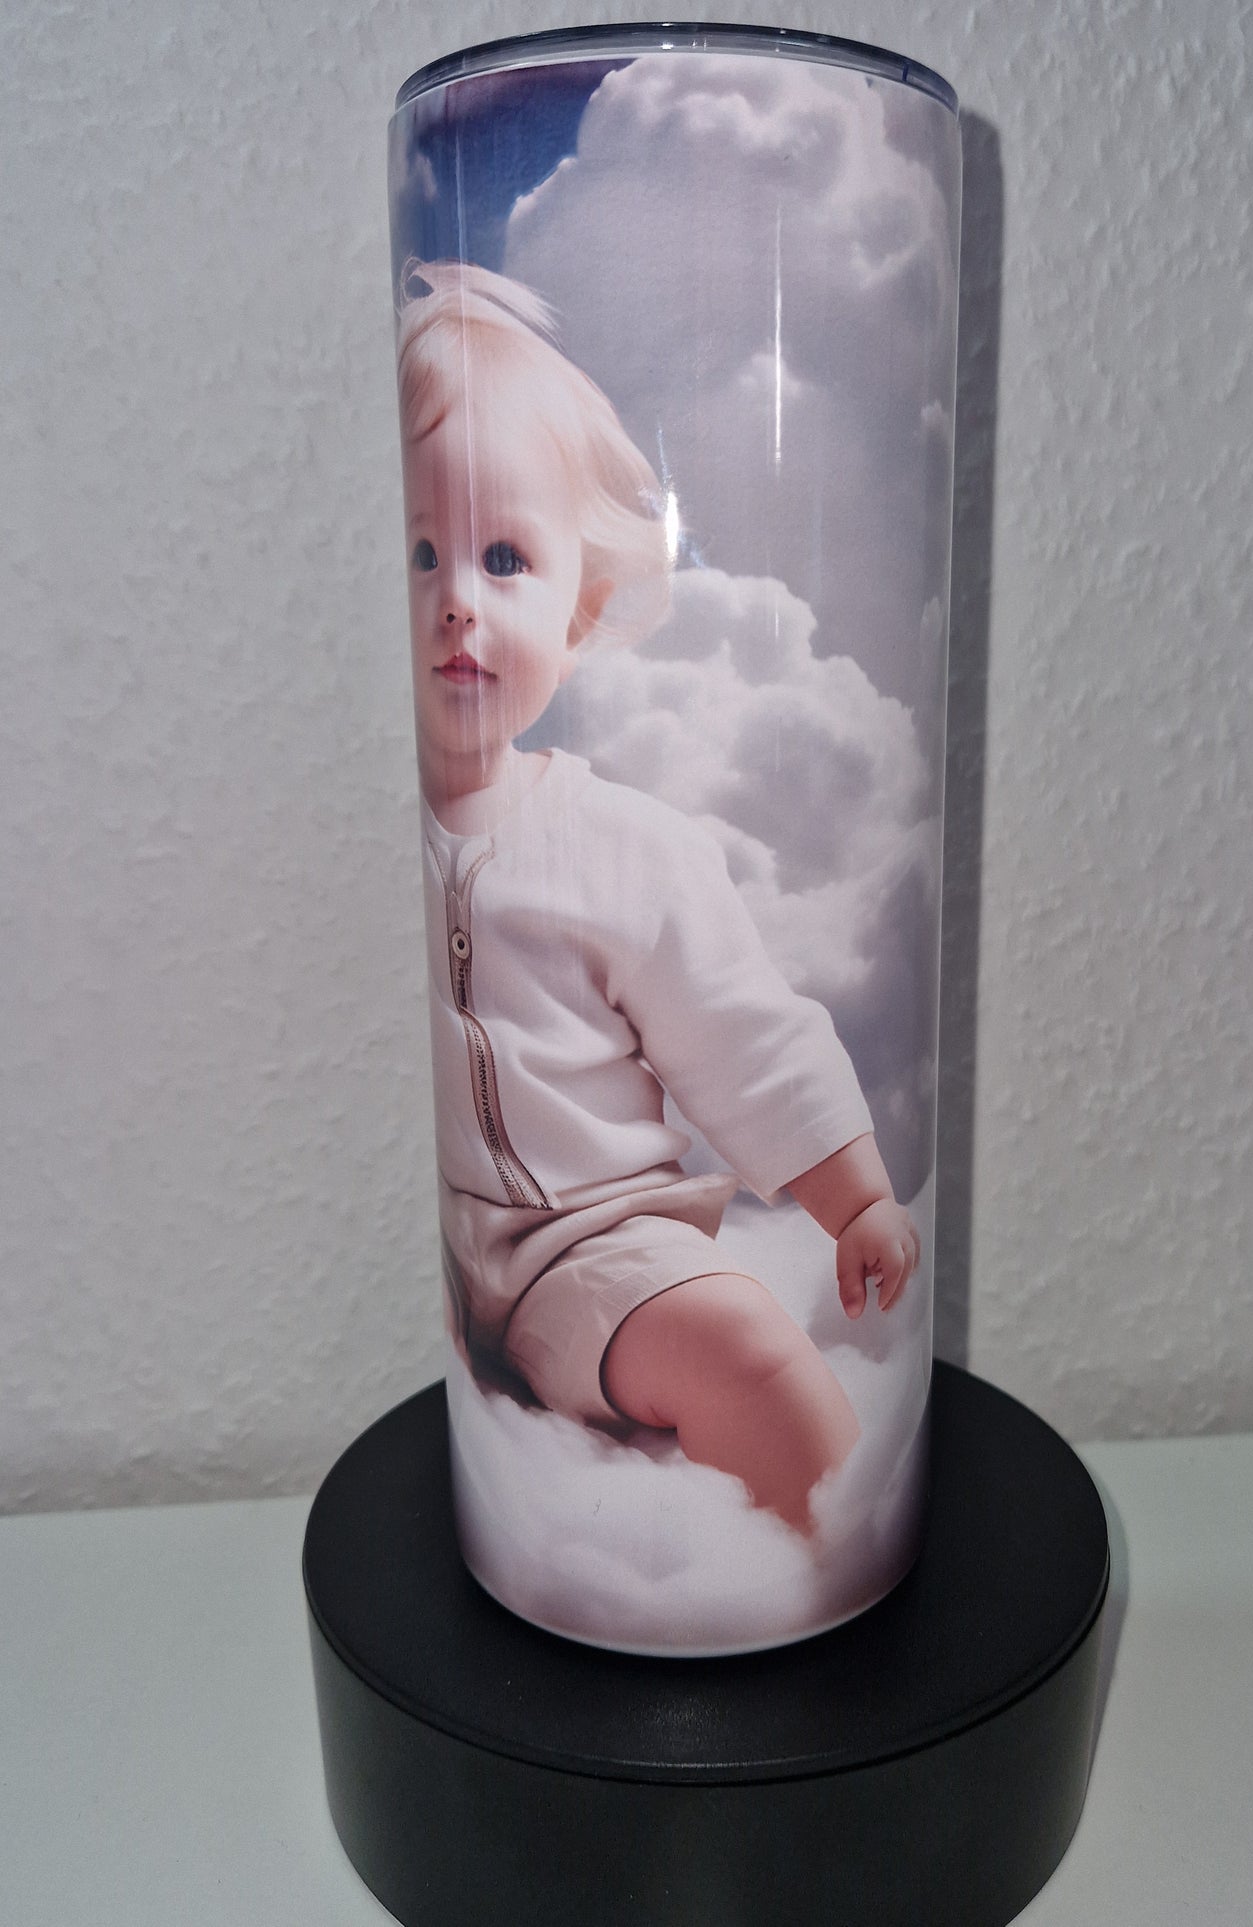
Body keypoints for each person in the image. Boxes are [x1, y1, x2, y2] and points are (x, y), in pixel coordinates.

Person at [397, 260, 917, 1533]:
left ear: (577, 616)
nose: (455, 599)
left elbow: (738, 1029)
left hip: (599, 1248)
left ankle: (823, 1548)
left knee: (746, 1359)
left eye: (502, 558)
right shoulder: (365, 840)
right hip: (429, 1252)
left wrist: (853, 1195)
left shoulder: (616, 845)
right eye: (416, 553)